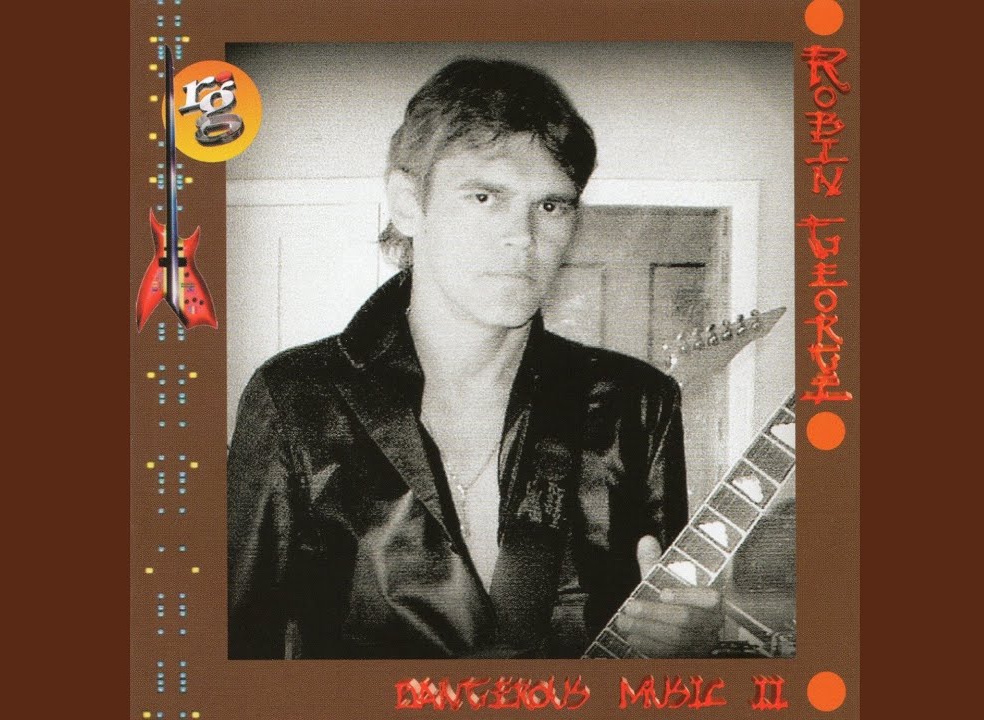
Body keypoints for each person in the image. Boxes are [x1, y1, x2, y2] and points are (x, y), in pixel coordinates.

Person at [228, 57, 723, 659]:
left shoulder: (636, 403)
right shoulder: (294, 398)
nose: (523, 236)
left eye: (551, 206)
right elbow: (235, 648)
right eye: (485, 196)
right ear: (407, 202)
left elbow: (663, 630)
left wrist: (687, 644)